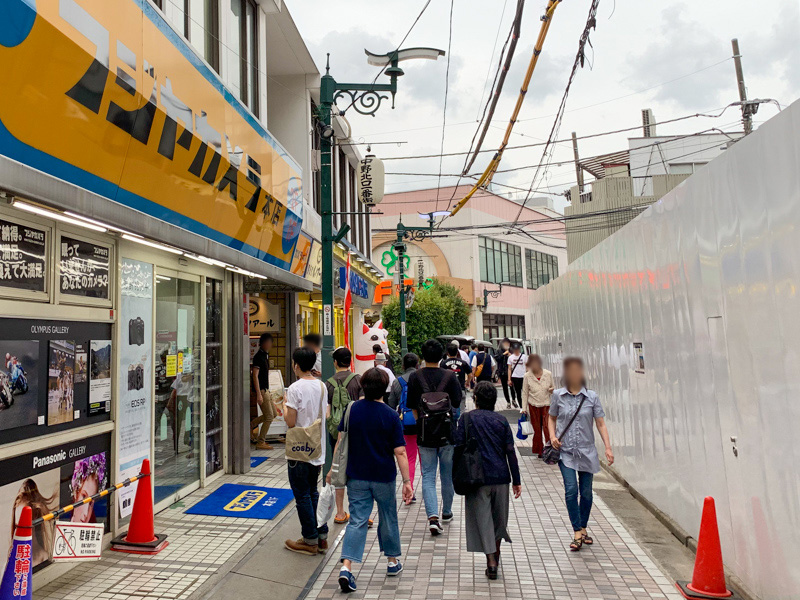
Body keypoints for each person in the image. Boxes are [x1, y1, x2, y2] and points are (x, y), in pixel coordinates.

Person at [330, 368, 413, 593]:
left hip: (356, 476)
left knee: (357, 519)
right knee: (388, 516)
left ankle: (346, 567)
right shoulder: (390, 415)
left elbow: (340, 442)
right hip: (384, 477)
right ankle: (392, 562)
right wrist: (407, 481)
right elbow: (400, 452)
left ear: (363, 387)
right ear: (385, 388)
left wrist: (332, 469)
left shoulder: (351, 409)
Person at [454, 381, 521, 580]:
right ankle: (496, 555)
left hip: (476, 479)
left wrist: (455, 477)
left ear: (476, 399)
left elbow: (458, 447)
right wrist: (516, 480)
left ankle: (491, 560)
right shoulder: (501, 421)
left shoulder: (466, 419)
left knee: (483, 520)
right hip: (501, 477)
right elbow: (510, 452)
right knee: (499, 520)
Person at [549, 357, 614, 552]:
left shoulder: (591, 397)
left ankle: (584, 527)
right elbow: (551, 418)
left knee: (586, 493)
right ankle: (577, 531)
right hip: (566, 452)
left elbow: (600, 423)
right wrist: (552, 436)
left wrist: (608, 447)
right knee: (571, 490)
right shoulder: (558, 396)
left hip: (587, 451)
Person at [406, 339, 462, 535]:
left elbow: (412, 405)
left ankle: (432, 517)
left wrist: (422, 421)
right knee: (447, 475)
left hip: (424, 433)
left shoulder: (415, 377)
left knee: (428, 475)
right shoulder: (450, 376)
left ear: (422, 356)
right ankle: (446, 512)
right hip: (447, 433)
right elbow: (456, 402)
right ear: (442, 357)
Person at [284, 347, 329, 555]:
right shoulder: (321, 386)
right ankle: (321, 537)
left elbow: (291, 421)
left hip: (299, 450)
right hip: (317, 449)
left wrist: (284, 408)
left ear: (296, 365)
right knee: (313, 492)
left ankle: (309, 540)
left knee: (302, 495)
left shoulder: (294, 388)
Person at [325, 347, 363, 524]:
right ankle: (363, 513)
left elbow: (326, 412)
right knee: (358, 470)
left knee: (338, 469)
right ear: (350, 362)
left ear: (335, 363)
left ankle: (340, 513)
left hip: (337, 432)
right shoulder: (358, 380)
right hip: (356, 431)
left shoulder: (328, 383)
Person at [387, 353, 420, 502]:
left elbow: (391, 406)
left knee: (410, 458)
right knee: (427, 463)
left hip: (406, 424)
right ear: (417, 364)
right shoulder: (422, 378)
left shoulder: (397, 382)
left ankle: (410, 488)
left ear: (403, 365)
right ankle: (428, 490)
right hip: (424, 424)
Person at [520, 354, 555, 457]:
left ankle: (550, 450)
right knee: (537, 429)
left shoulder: (548, 374)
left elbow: (553, 387)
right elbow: (525, 392)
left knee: (547, 428)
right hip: (533, 405)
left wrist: (551, 390)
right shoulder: (527, 376)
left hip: (546, 404)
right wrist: (524, 408)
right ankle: (540, 451)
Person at [251, 333, 280, 450]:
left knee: (273, 414)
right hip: (262, 390)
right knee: (269, 416)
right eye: (268, 342)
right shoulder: (258, 356)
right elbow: (255, 376)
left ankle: (252, 424)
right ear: (263, 343)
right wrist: (258, 394)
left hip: (266, 389)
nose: (270, 345)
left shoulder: (265, 355)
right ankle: (260, 441)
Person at [439, 344, 472, 416]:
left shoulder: (443, 363)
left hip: (447, 391)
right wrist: (467, 382)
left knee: (449, 412)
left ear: (447, 353)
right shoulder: (463, 363)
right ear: (457, 352)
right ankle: (461, 424)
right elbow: (470, 374)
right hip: (461, 388)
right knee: (462, 411)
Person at [507, 343, 527, 409]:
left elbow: (527, 367)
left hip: (523, 376)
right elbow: (509, 368)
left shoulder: (524, 357)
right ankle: (522, 407)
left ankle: (525, 405)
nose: (516, 351)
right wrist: (509, 379)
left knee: (525, 392)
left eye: (517, 349)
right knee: (518, 392)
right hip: (515, 377)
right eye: (515, 350)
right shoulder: (510, 357)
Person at [494, 338, 513, 407]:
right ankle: (508, 402)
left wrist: (511, 356)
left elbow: (516, 359)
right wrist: (503, 354)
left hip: (511, 372)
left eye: (508, 343)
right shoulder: (499, 351)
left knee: (512, 387)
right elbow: (497, 358)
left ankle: (513, 399)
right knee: (505, 387)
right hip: (502, 372)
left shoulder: (511, 350)